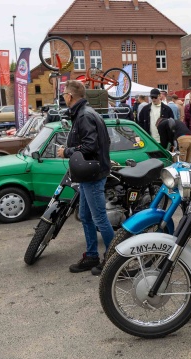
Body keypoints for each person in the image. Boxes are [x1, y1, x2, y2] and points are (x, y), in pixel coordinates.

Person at [56, 80, 114, 275]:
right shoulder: (84, 113)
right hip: (89, 173)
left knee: (99, 218)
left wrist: (67, 151)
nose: (63, 96)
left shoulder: (84, 116)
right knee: (87, 217)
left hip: (93, 174)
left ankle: (113, 257)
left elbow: (90, 146)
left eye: (64, 93)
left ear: (70, 96)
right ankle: (91, 256)